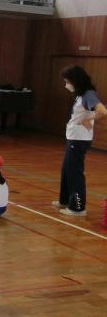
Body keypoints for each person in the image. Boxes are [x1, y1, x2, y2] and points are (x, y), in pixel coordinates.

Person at [54, 66, 107, 216]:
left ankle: (78, 207)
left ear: (75, 80)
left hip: (79, 140)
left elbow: (102, 111)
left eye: (67, 81)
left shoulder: (88, 94)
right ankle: (65, 200)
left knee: (74, 173)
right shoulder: (80, 94)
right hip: (73, 137)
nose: (66, 85)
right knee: (66, 169)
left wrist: (89, 119)